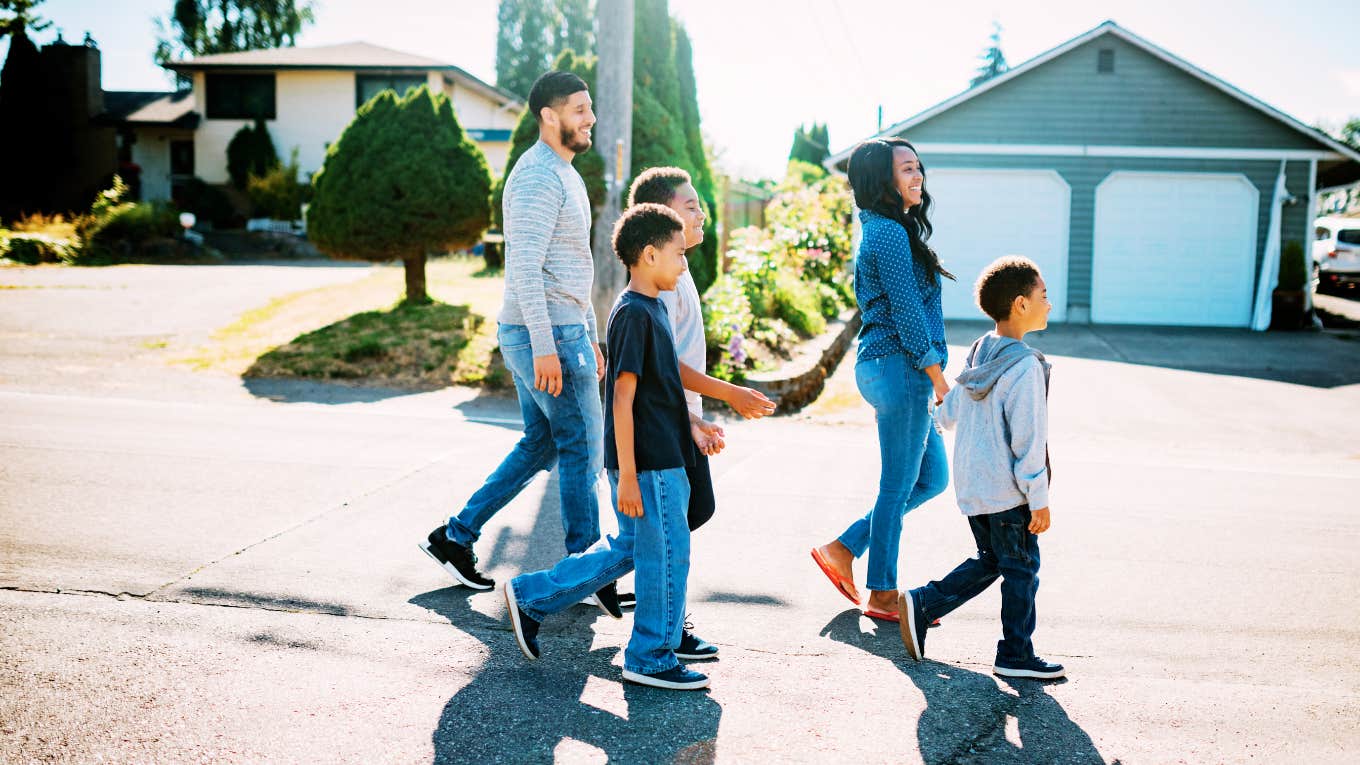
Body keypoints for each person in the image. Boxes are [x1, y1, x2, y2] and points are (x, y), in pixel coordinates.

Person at [504, 203, 723, 690]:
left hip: (662, 453)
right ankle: (649, 655)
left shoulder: (652, 308)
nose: (685, 264)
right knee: (667, 554)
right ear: (649, 255)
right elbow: (621, 398)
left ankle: (531, 596)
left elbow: (658, 389)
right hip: (648, 464)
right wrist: (626, 474)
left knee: (633, 548)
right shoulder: (632, 315)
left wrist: (692, 424)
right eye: (678, 255)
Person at [418, 71, 608, 598]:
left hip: (561, 330)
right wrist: (548, 346)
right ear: (549, 116)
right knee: (582, 446)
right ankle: (585, 570)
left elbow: (573, 266)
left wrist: (589, 331)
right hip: (543, 334)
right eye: (578, 109)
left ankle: (455, 536)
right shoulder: (536, 176)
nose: (590, 118)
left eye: (589, 108)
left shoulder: (566, 173)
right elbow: (523, 267)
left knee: (542, 441)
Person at [613, 166, 776, 657]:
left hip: (678, 422)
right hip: (661, 431)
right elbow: (659, 374)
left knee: (674, 526)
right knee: (661, 533)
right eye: (689, 208)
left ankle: (657, 616)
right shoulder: (651, 296)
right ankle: (654, 624)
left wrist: (699, 417)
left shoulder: (673, 280)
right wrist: (712, 406)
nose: (699, 215)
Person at [897, 255, 1064, 680]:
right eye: (1043, 295)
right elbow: (1028, 441)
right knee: (1021, 569)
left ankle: (925, 603)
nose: (1049, 303)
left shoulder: (979, 351)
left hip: (974, 487)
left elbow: (949, 411)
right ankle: (1016, 654)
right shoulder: (1024, 365)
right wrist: (1039, 499)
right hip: (1009, 492)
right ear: (1021, 304)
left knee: (994, 559)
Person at [811, 138, 952, 621]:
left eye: (919, 168)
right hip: (902, 368)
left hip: (894, 368)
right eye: (907, 169)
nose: (918, 177)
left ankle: (844, 549)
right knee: (896, 486)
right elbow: (908, 313)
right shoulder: (889, 234)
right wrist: (937, 376)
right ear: (881, 181)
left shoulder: (892, 229)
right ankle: (883, 593)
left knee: (931, 478)